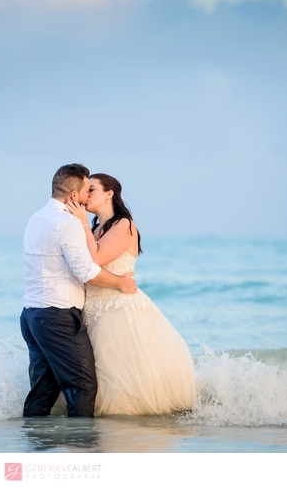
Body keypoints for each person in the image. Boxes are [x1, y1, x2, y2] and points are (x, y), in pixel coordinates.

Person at [65, 173, 196, 416]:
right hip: (93, 311)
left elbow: (94, 259)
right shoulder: (95, 227)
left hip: (117, 312)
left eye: (91, 189)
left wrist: (82, 221)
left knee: (118, 378)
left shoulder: (124, 225)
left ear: (109, 194)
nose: (86, 195)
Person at [21, 164, 138, 418]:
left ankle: (34, 445)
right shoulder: (69, 224)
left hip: (31, 315)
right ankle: (81, 446)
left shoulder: (36, 219)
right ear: (74, 195)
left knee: (43, 391)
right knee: (82, 387)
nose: (87, 196)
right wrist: (120, 282)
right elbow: (87, 271)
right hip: (57, 316)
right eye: (87, 189)